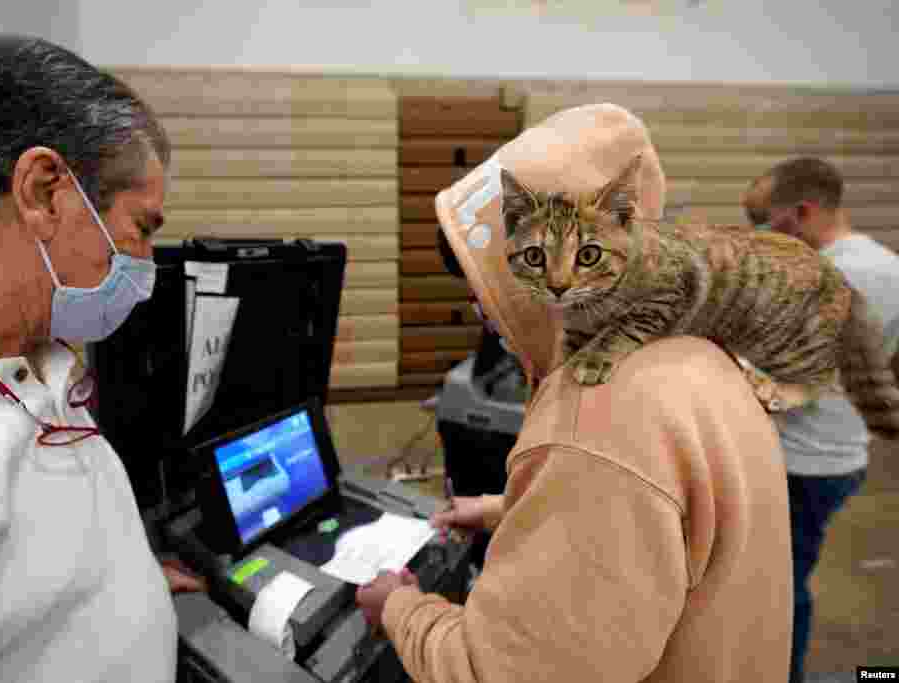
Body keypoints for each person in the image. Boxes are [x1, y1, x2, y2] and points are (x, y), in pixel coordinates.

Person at [356, 103, 794, 682]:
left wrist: (397, 607)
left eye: (483, 283)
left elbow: (499, 674)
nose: (479, 306)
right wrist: (502, 511)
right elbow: (656, 527)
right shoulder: (698, 351)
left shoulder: (593, 420)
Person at [0, 34, 205, 682]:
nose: (143, 265)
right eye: (140, 227)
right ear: (43, 191)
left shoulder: (24, 347)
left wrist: (114, 586)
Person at [742, 157, 899, 683]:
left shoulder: (829, 274)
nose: (758, 233)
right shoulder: (889, 267)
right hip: (843, 454)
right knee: (784, 579)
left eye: (763, 219)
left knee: (777, 591)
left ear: (803, 212)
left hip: (799, 462)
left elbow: (782, 380)